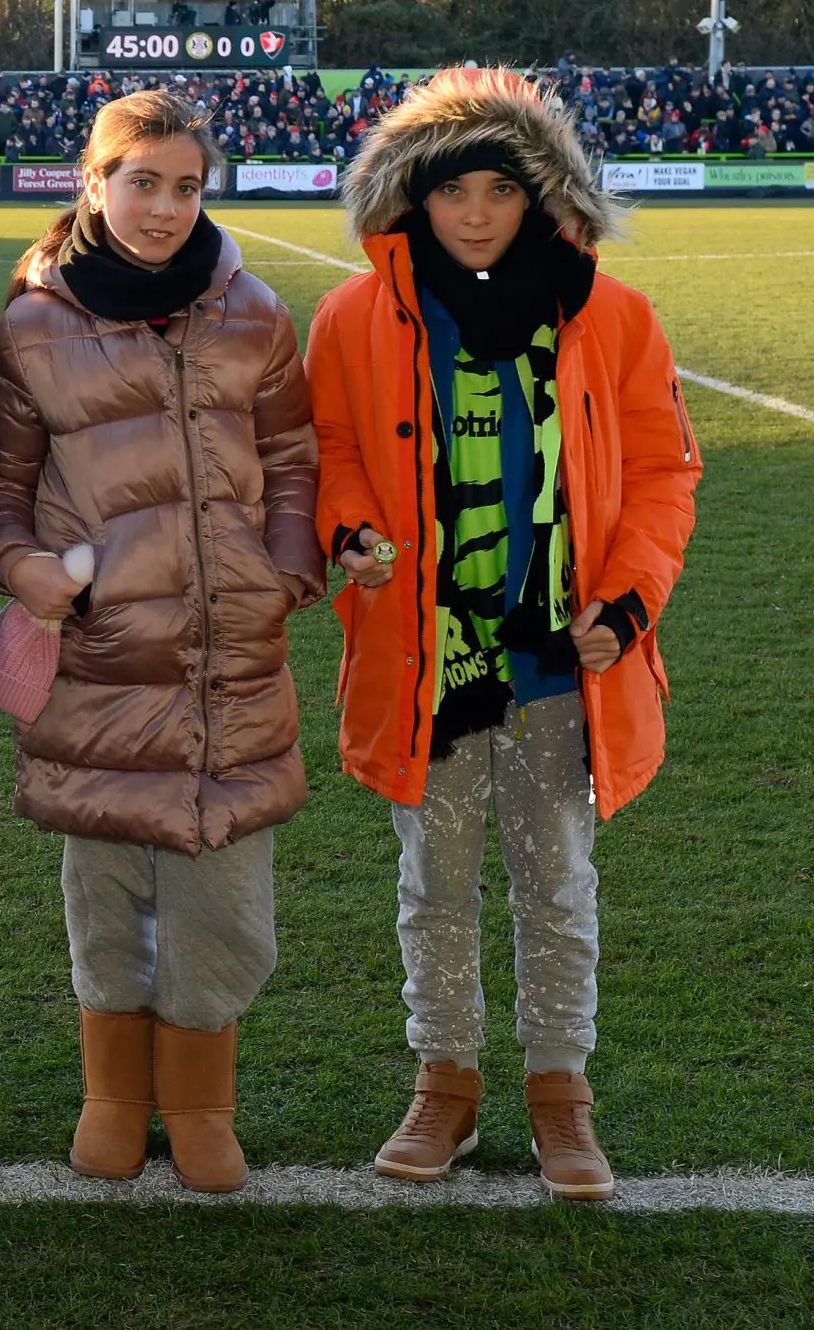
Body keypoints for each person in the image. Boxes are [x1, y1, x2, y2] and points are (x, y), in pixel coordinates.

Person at [304, 68, 701, 1203]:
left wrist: (623, 607)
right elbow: (331, 450)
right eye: (449, 190)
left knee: (555, 885)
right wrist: (349, 532)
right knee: (433, 885)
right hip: (426, 663)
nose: (473, 212)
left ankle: (560, 1097)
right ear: (407, 200)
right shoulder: (353, 315)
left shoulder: (611, 314)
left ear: (541, 195)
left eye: (498, 188)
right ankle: (445, 1086)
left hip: (561, 672)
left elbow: (667, 473)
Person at [0, 89, 324, 1195]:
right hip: (102, 669)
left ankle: (202, 1106)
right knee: (106, 891)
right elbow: (1, 489)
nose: (164, 207)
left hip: (230, 670)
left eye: (184, 186)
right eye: (140, 182)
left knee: (223, 910)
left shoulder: (254, 310)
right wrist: (22, 568)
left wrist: (284, 573)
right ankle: (114, 1097)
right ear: (93, 181)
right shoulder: (31, 322)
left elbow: (294, 463)